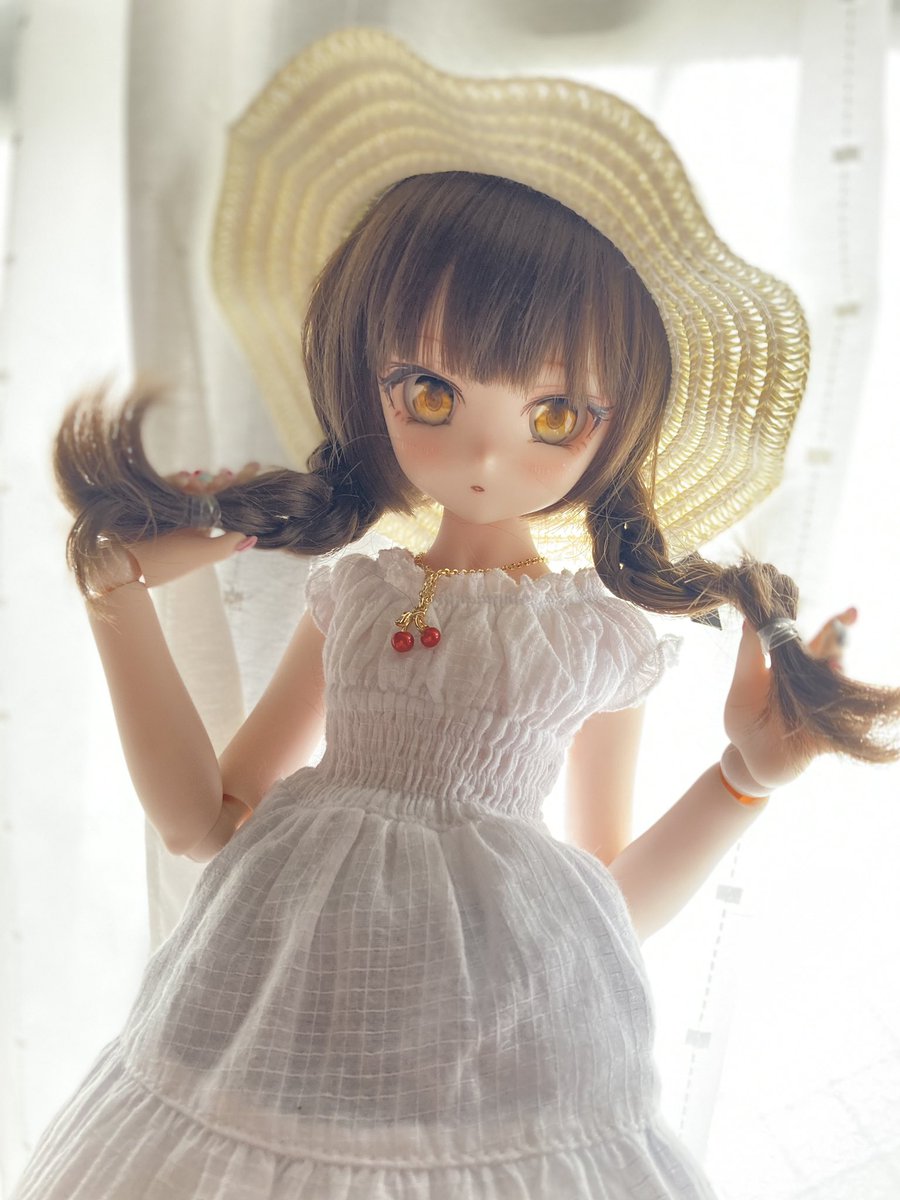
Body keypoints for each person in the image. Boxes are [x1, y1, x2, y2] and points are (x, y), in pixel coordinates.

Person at [13, 28, 899, 1200]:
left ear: (617, 429)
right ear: (368, 378)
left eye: (554, 417)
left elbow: (601, 907)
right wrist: (115, 595)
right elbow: (204, 818)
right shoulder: (357, 591)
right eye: (431, 391)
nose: (484, 452)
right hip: (260, 1031)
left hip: (485, 1078)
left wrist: (742, 781)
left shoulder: (591, 633)